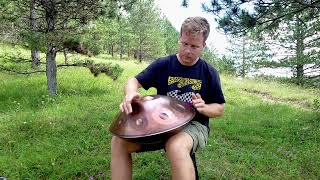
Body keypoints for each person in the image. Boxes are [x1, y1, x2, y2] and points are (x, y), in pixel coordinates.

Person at [111, 16, 225, 180]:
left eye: (194, 46)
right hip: (162, 125)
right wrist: (130, 93)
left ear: (203, 46)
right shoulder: (163, 64)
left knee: (176, 146)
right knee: (119, 142)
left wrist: (204, 108)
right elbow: (134, 81)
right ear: (179, 39)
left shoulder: (209, 72)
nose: (188, 50)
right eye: (185, 44)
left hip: (194, 124)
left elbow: (219, 108)